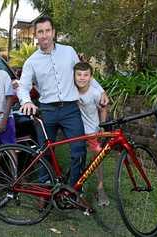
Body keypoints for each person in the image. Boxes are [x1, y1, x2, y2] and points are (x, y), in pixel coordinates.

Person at [17, 15, 109, 189]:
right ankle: (44, 189)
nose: (44, 35)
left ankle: (73, 190)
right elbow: (23, 87)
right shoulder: (31, 62)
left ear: (53, 32)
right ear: (36, 35)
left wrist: (102, 90)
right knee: (45, 153)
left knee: (78, 150)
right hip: (47, 111)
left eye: (47, 31)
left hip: (70, 110)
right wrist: (27, 101)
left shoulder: (69, 51)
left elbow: (84, 74)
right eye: (40, 32)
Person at [74, 62, 110, 207]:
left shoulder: (95, 93)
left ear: (91, 77)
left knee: (97, 158)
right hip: (76, 131)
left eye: (86, 75)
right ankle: (78, 187)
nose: (82, 78)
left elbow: (103, 108)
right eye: (79, 74)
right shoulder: (70, 89)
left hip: (92, 131)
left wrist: (102, 126)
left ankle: (100, 188)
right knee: (77, 157)